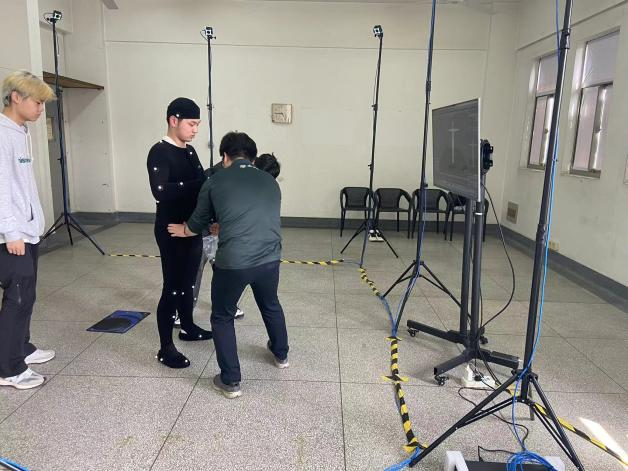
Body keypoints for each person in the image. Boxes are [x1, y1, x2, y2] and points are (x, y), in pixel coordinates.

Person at [168, 132, 288, 399]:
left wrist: (182, 230)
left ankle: (230, 380)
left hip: (234, 262)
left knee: (222, 316)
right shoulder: (270, 181)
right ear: (253, 158)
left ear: (224, 156)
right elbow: (255, 216)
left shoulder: (215, 181)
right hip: (270, 258)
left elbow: (197, 224)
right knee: (270, 303)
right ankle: (281, 354)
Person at [0, 71, 56, 389]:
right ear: (16, 97)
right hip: (12, 234)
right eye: (37, 102)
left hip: (27, 229)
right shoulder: (2, 134)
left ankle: (21, 347)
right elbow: (1, 188)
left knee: (28, 294)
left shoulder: (20, 131)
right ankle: (8, 369)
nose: (40, 109)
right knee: (17, 297)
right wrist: (11, 232)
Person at [147, 97, 212, 369]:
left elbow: (202, 184)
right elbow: (161, 191)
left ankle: (188, 327)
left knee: (188, 284)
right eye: (191, 124)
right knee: (172, 287)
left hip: (191, 227)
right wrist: (195, 183)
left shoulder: (190, 151)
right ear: (174, 120)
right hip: (171, 230)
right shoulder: (160, 151)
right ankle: (165, 348)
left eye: (198, 124)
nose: (195, 130)